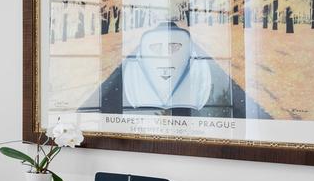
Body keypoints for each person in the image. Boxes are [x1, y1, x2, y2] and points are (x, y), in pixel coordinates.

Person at [83, 20, 264, 119]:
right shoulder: (132, 81)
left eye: (174, 48)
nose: (165, 58)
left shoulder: (200, 78)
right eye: (156, 49)